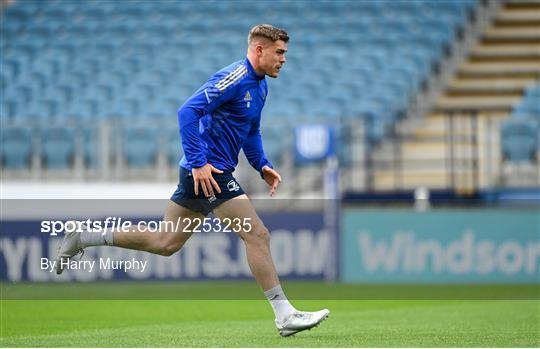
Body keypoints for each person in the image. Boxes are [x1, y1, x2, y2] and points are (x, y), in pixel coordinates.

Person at [55, 24, 329, 337]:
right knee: (257, 235)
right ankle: (284, 314)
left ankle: (84, 238)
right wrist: (199, 163)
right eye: (279, 52)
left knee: (165, 243)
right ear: (259, 50)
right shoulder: (236, 78)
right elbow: (187, 111)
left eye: (285, 53)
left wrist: (261, 164)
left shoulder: (261, 85)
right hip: (209, 172)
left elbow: (250, 130)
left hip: (202, 172)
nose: (283, 59)